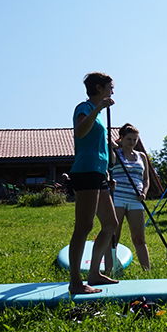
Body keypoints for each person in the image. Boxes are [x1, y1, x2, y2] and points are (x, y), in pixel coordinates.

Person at [67, 72, 119, 294]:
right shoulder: (85, 108)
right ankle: (75, 282)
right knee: (84, 226)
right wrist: (98, 108)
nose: (113, 91)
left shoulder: (98, 116)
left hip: (99, 173)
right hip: (86, 171)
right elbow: (79, 132)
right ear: (99, 88)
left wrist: (108, 170)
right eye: (110, 86)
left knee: (110, 224)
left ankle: (94, 274)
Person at [110, 123, 151, 270]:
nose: (132, 142)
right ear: (121, 139)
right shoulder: (115, 154)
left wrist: (144, 193)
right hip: (118, 199)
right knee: (114, 237)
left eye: (135, 139)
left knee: (139, 239)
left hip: (136, 200)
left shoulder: (141, 157)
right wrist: (110, 146)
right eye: (129, 139)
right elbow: (109, 160)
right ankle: (110, 270)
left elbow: (146, 179)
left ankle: (147, 272)